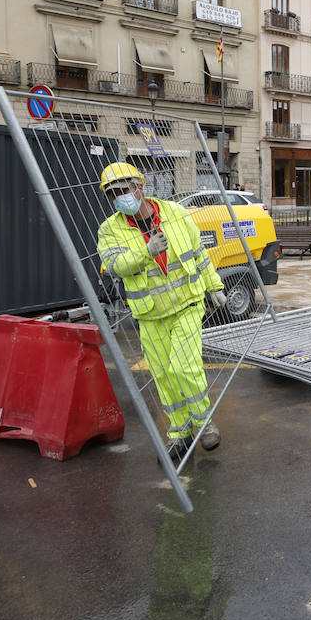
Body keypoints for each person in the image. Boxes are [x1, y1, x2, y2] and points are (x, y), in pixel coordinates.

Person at [96, 162, 227, 462]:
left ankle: (204, 424)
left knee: (184, 367)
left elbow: (198, 254)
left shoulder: (175, 213)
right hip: (150, 313)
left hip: (187, 304)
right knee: (164, 375)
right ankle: (179, 434)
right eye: (112, 194)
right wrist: (146, 252)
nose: (118, 197)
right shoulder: (109, 229)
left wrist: (214, 286)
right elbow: (115, 264)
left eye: (122, 190)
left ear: (139, 187)